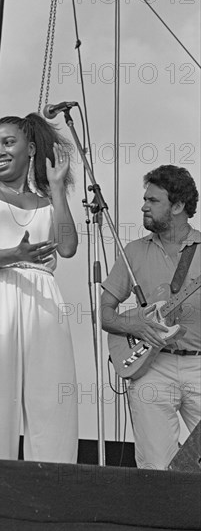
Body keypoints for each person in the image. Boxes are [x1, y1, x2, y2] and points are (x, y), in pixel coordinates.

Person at [0, 112, 79, 463]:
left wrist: (57, 188)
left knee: (51, 396)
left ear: (30, 149)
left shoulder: (45, 201)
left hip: (43, 300)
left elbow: (68, 247)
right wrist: (16, 253)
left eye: (8, 142)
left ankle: (54, 487)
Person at [101, 165, 201, 470]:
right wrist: (136, 325)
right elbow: (104, 313)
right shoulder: (133, 251)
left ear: (179, 206)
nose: (144, 205)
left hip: (199, 363)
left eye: (153, 200)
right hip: (151, 367)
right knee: (156, 469)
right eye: (145, 199)